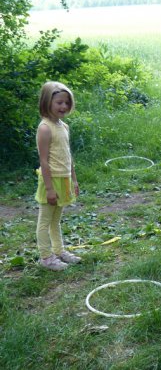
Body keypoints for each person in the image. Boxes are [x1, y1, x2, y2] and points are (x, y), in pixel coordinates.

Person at [35, 81, 82, 271]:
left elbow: (68, 156)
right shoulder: (45, 128)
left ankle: (59, 251)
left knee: (56, 220)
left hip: (63, 179)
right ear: (47, 102)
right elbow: (44, 161)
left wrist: (74, 179)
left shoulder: (64, 126)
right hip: (50, 180)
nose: (64, 106)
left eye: (67, 103)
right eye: (59, 103)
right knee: (45, 220)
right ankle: (46, 257)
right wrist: (49, 188)